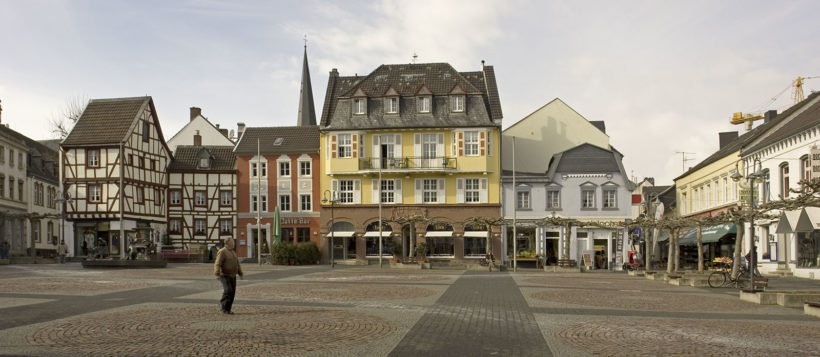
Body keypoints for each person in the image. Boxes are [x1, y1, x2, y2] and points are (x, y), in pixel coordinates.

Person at [214, 238, 243, 314]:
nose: (234, 243)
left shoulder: (233, 252)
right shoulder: (222, 251)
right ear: (228, 243)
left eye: (233, 242)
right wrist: (217, 274)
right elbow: (217, 263)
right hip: (224, 275)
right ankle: (223, 306)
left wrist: (240, 273)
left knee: (232, 292)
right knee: (228, 290)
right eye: (232, 242)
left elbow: (237, 264)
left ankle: (228, 309)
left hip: (233, 275)